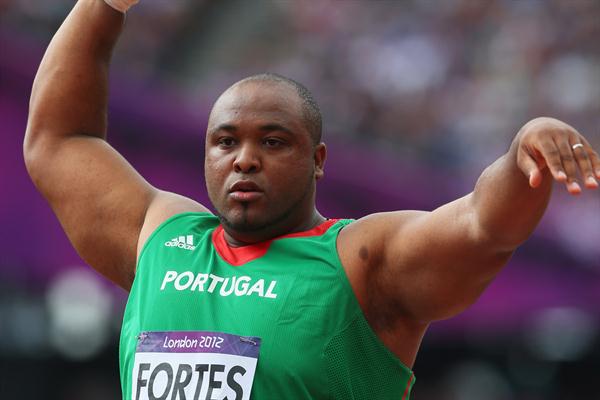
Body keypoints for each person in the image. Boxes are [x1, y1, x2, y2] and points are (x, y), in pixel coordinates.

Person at [23, 1, 600, 399]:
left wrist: (522, 154)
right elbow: (59, 139)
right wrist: (104, 7)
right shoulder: (162, 239)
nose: (244, 159)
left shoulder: (359, 261)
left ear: (318, 161)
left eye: (272, 142)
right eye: (225, 142)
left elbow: (481, 226)